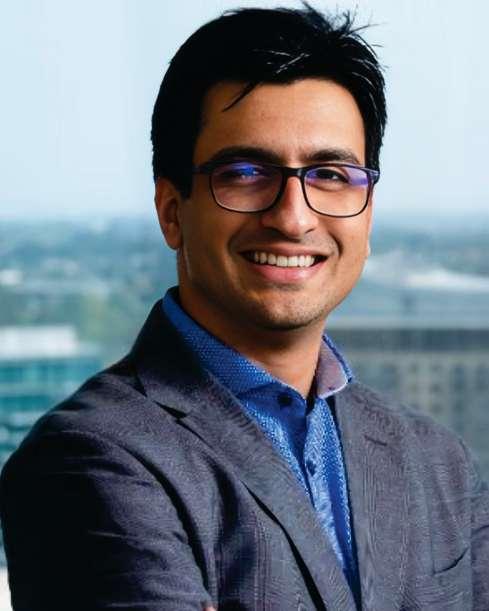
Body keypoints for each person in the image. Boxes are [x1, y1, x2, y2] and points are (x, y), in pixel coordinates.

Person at [1, 5, 488, 611]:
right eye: (246, 171)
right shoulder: (88, 459)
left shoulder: (438, 462)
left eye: (331, 174)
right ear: (172, 211)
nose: (293, 217)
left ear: (367, 213)